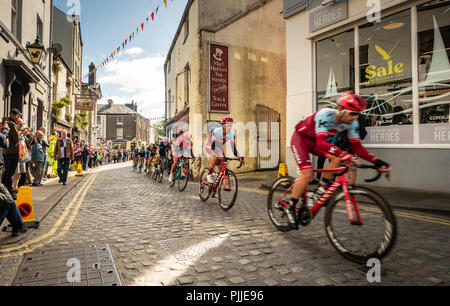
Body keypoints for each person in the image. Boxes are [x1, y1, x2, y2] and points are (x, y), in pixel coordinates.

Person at [285, 92, 392, 230]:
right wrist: (344, 154)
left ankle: (321, 190)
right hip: (301, 139)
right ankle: (291, 206)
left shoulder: (351, 123)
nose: (355, 117)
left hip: (316, 142)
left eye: (358, 114)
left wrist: (377, 162)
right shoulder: (325, 114)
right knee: (307, 174)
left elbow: (358, 148)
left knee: (336, 158)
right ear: (340, 110)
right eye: (353, 113)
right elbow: (322, 142)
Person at [205, 117, 244, 184]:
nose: (229, 127)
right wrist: (219, 155)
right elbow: (213, 146)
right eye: (227, 125)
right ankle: (209, 174)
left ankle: (215, 186)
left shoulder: (231, 134)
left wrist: (239, 156)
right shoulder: (217, 131)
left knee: (222, 170)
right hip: (210, 146)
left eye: (230, 125)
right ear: (223, 125)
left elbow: (233, 148)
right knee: (217, 155)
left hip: (219, 147)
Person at [2, 109, 21, 198]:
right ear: (13, 115)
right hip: (12, 152)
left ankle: (4, 190)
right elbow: (17, 138)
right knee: (10, 173)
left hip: (6, 151)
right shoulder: (12, 124)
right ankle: (9, 192)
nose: (18, 117)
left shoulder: (6, 123)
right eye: (18, 115)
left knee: (6, 172)